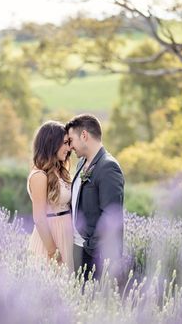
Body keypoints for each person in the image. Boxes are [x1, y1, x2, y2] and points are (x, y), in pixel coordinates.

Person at [66, 114, 124, 280]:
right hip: (76, 249)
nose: (70, 147)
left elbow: (111, 215)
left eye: (71, 140)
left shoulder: (108, 167)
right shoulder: (80, 163)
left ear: (84, 135)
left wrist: (90, 247)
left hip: (95, 255)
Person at [27, 121, 74, 272]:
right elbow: (39, 219)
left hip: (66, 235)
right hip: (51, 240)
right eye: (65, 143)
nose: (69, 148)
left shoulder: (60, 172)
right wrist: (53, 253)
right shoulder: (39, 175)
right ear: (52, 143)